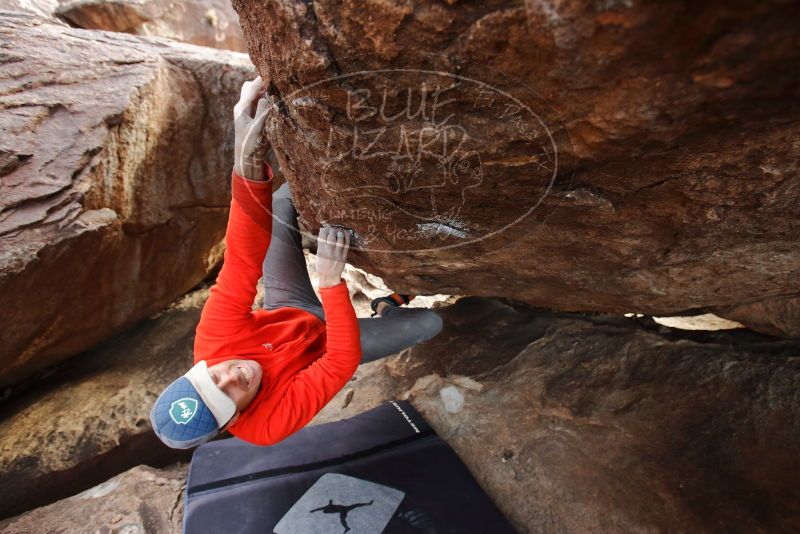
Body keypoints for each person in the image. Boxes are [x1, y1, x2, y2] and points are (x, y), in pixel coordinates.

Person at [150, 75, 444, 449]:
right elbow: (339, 361)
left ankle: (305, 229)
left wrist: (246, 168)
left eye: (210, 378)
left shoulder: (213, 344)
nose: (229, 377)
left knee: (281, 202)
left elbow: (240, 263)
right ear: (234, 420)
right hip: (328, 344)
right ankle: (386, 308)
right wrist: (330, 283)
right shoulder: (266, 426)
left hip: (286, 305)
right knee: (430, 323)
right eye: (224, 396)